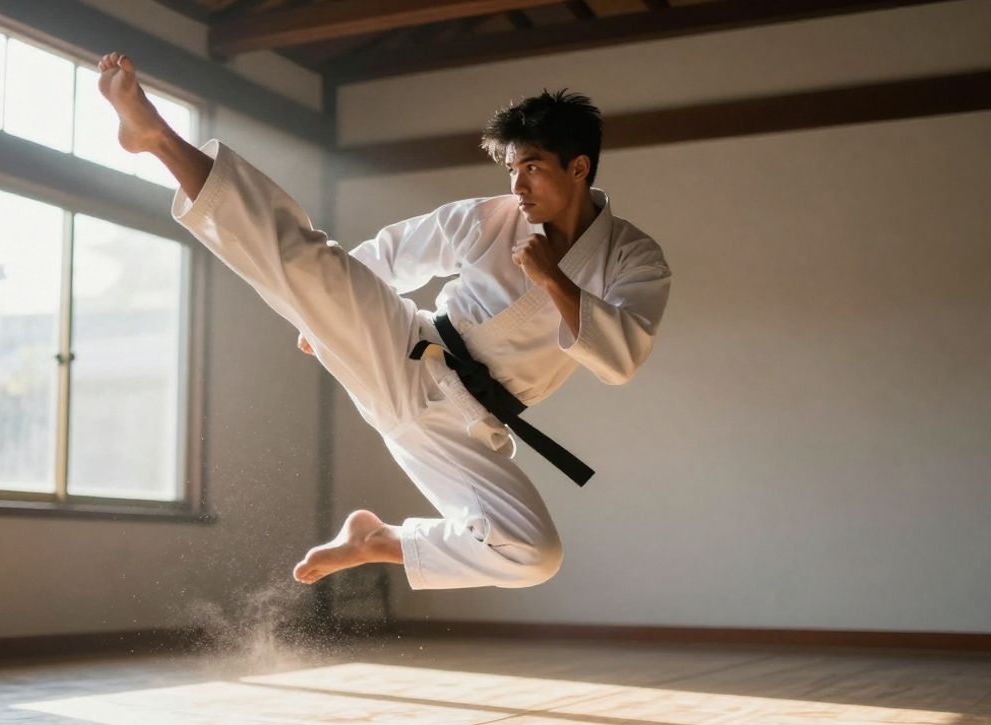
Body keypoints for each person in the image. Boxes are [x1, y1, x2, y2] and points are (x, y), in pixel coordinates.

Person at [96, 52, 671, 591]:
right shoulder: (489, 217)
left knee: (534, 554)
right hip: (406, 346)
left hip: (467, 423)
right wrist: (321, 308)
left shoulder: (634, 258)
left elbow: (621, 359)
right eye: (511, 168)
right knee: (305, 259)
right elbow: (390, 255)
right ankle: (158, 140)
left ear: (579, 167)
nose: (517, 186)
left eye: (533, 168)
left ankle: (379, 539)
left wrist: (554, 280)